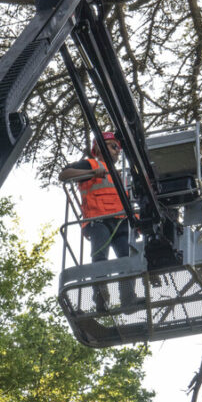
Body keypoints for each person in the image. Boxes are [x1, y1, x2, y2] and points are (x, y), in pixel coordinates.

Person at [59, 131, 138, 312]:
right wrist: (92, 172)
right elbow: (64, 175)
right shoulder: (91, 164)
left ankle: (128, 299)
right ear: (100, 148)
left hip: (120, 221)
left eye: (118, 148)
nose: (118, 151)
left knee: (127, 259)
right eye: (113, 147)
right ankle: (101, 297)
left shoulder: (120, 175)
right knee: (100, 257)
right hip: (98, 221)